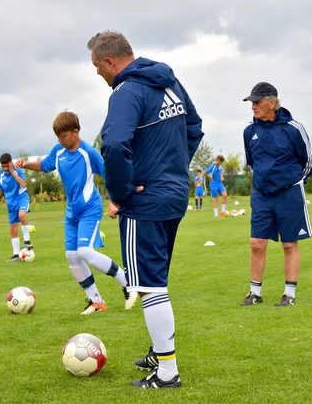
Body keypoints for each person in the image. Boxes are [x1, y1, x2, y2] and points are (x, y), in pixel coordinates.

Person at [87, 31, 203, 389]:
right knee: (156, 279)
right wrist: (173, 168)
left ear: (109, 61)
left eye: (96, 67)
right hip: (174, 194)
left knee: (150, 286)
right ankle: (159, 350)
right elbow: (195, 128)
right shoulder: (169, 82)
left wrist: (121, 193)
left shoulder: (126, 92)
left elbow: (115, 144)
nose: (98, 74)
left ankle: (167, 372)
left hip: (146, 199)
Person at [16, 111, 137, 315]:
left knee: (85, 252)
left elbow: (110, 175)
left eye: (63, 136)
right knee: (72, 256)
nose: (60, 140)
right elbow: (45, 166)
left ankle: (127, 282)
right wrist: (25, 164)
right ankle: (96, 302)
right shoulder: (58, 151)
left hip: (90, 208)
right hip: (72, 212)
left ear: (75, 132)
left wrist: (115, 202)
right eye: (57, 137)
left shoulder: (88, 152)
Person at [240, 82, 312, 307]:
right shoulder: (249, 131)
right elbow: (250, 163)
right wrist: (265, 183)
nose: (253, 106)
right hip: (262, 195)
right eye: (251, 102)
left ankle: (289, 294)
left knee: (289, 244)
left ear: (272, 103)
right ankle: (255, 293)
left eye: (257, 102)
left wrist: (292, 182)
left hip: (289, 194)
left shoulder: (293, 128)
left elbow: (307, 161)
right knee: (256, 242)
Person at [0, 153, 33, 261]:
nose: (5, 168)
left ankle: (27, 242)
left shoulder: (18, 169)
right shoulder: (0, 174)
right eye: (3, 166)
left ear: (10, 162)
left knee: (22, 214)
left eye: (7, 166)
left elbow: (23, 184)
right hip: (11, 203)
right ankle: (16, 254)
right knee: (13, 228)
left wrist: (12, 171)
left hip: (21, 198)